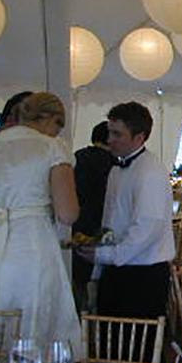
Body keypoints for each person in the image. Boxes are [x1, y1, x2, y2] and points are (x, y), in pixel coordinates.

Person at [76, 101, 175, 363]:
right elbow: (112, 221)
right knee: (112, 350)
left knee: (140, 355)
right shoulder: (117, 169)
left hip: (143, 277)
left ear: (139, 137)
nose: (110, 140)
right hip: (116, 271)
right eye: (110, 132)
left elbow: (146, 229)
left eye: (117, 134)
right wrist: (98, 259)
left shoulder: (151, 173)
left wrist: (104, 255)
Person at [0, 92, 82, 359]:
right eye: (57, 126)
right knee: (35, 318)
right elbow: (68, 213)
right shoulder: (53, 148)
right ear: (52, 119)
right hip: (30, 245)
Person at [71, 122, 115, 313]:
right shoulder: (113, 163)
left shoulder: (77, 157)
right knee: (100, 278)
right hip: (103, 225)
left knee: (78, 278)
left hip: (78, 223)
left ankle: (80, 319)